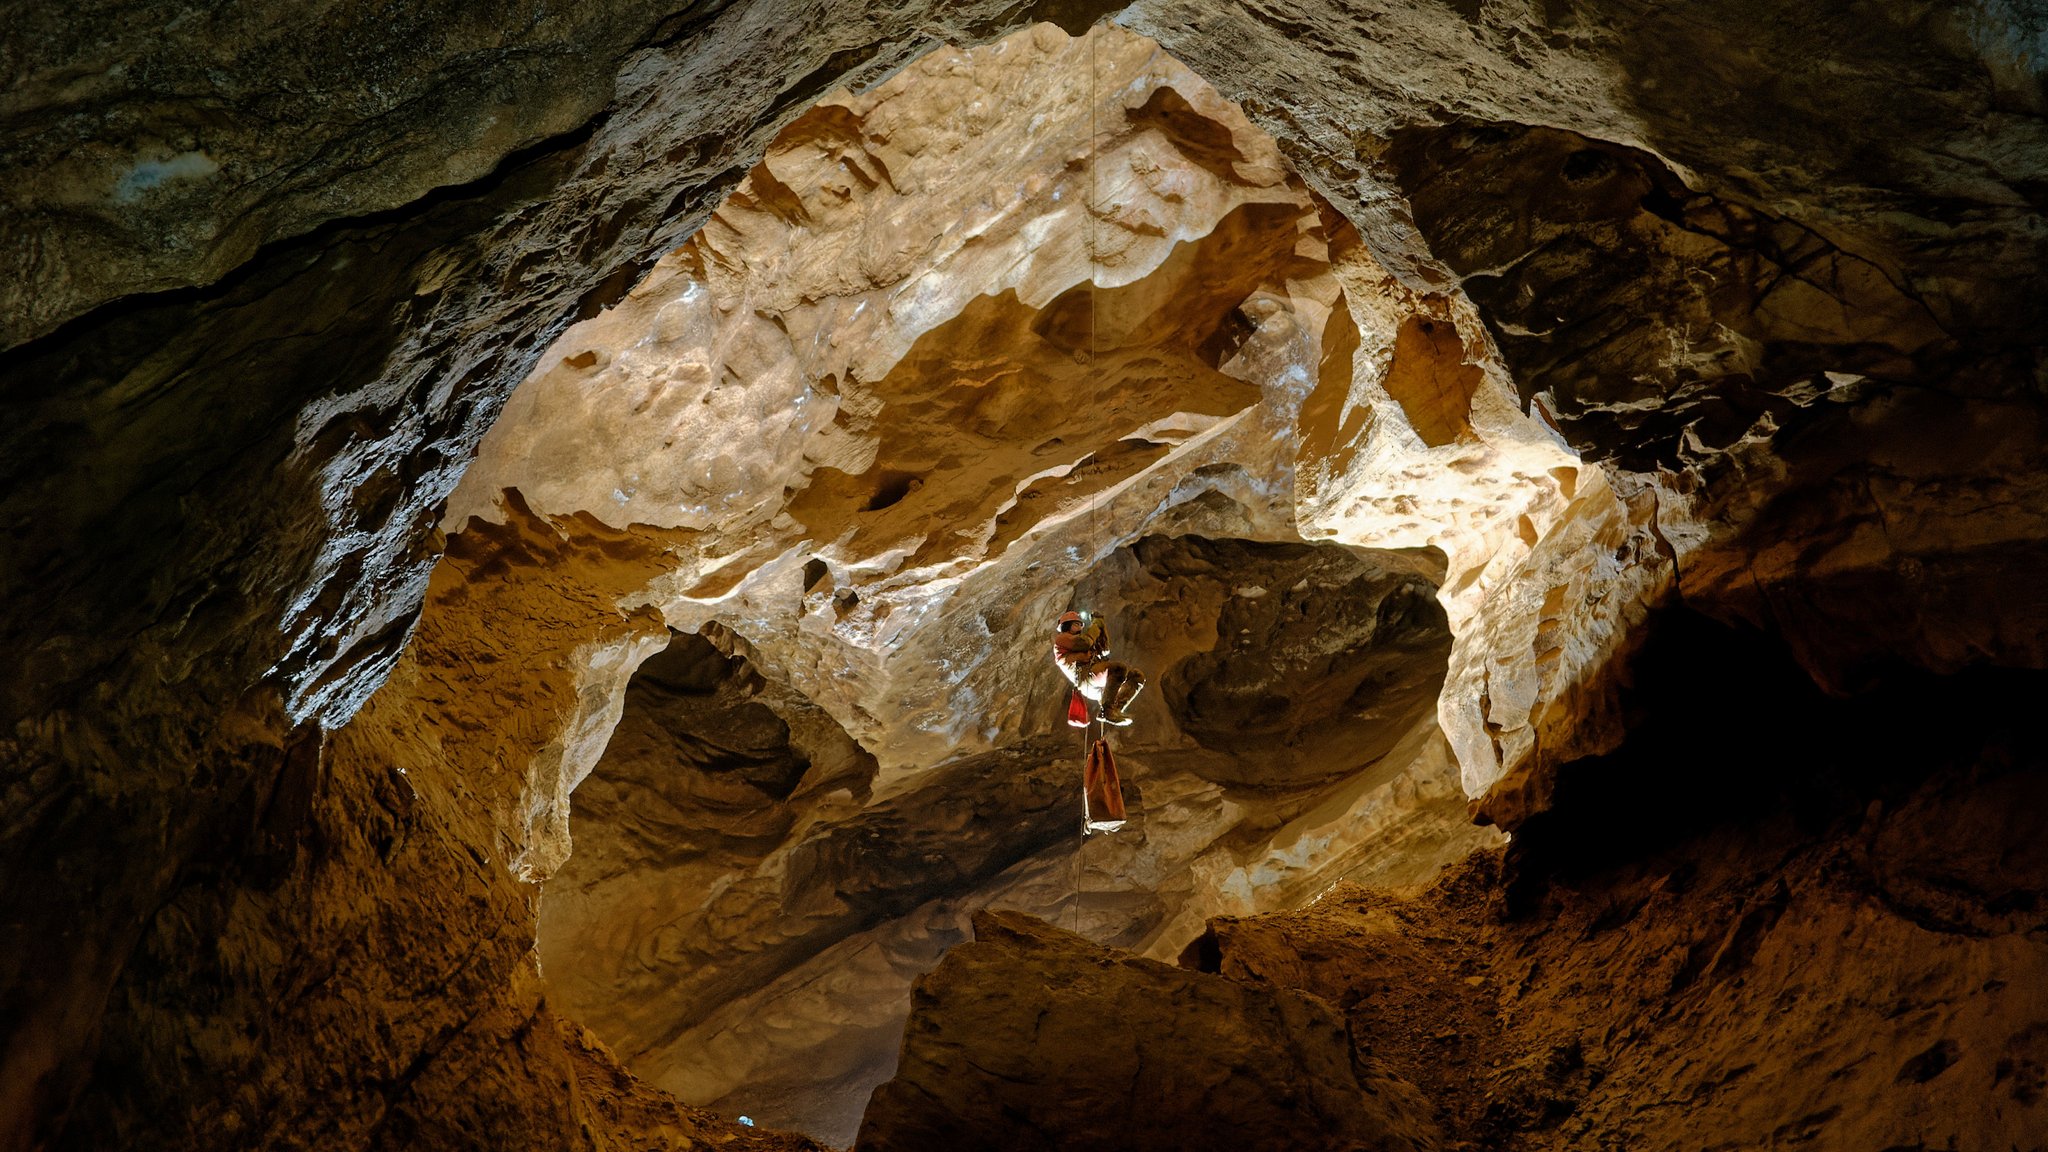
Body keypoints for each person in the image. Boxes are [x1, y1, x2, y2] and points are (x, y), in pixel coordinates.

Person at [1053, 610, 1146, 726]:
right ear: (1066, 626)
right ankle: (1107, 711)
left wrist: (1102, 627)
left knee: (1137, 676)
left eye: (1080, 624)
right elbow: (1085, 642)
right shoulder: (1062, 639)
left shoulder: (1082, 641)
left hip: (1098, 683)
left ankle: (1114, 709)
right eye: (1076, 624)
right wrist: (1096, 625)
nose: (1080, 627)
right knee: (1118, 668)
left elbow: (1105, 650)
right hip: (1086, 679)